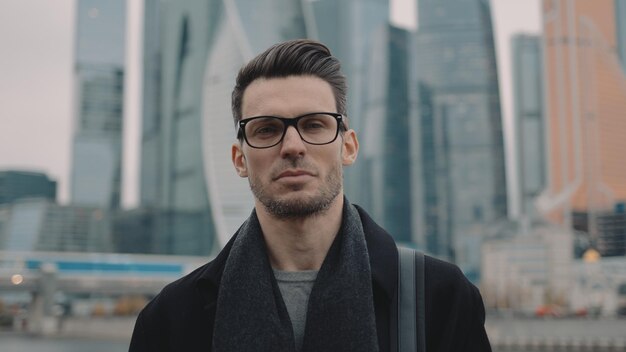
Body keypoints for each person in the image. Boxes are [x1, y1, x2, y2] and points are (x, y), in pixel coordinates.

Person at [129, 39, 492, 352]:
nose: (292, 146)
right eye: (267, 129)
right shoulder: (170, 319)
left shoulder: (439, 298)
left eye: (314, 124)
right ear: (240, 159)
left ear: (348, 147)